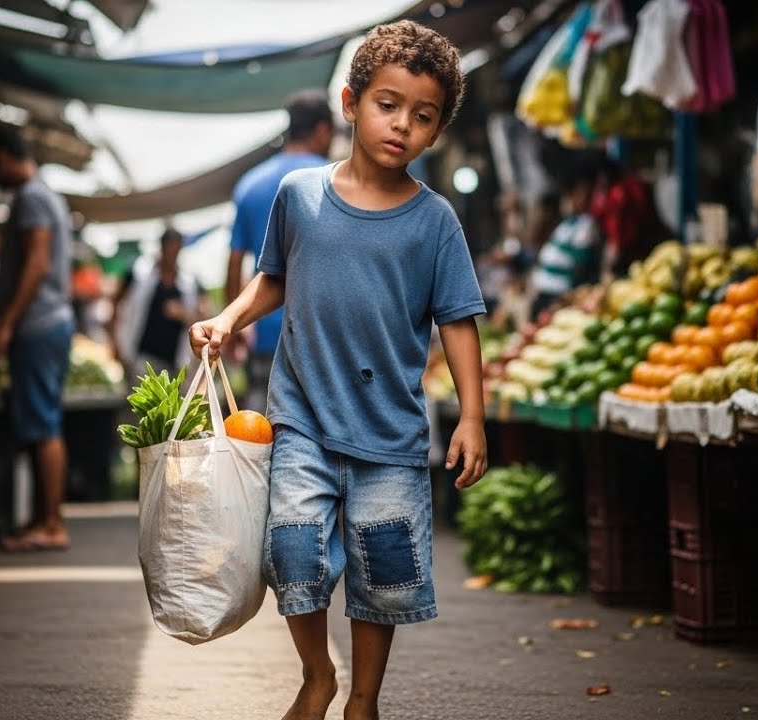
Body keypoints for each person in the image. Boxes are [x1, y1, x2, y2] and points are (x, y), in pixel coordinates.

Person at [189, 20, 487, 720]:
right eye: (388, 105)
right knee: (293, 554)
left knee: (383, 571)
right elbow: (274, 279)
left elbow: (459, 322)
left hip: (390, 433)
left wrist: (472, 415)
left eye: (423, 116)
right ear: (351, 104)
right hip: (302, 420)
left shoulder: (436, 221)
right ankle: (317, 674)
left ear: (436, 131)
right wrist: (230, 319)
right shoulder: (300, 195)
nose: (402, 126)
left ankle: (363, 699)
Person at [0, 123, 75, 552]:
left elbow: (36, 263)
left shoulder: (33, 197)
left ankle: (52, 523)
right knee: (43, 423)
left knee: (44, 426)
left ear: (0, 157)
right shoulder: (42, 194)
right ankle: (43, 519)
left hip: (38, 325)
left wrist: (6, 323)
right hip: (45, 324)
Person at [226, 89, 334, 412]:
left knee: (260, 428)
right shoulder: (335, 181)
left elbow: (234, 263)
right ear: (322, 130)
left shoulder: (250, 184)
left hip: (265, 332)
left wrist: (234, 326)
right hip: (321, 335)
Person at [109, 228, 205, 377]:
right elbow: (116, 303)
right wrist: (115, 342)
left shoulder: (188, 284)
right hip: (140, 356)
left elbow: (203, 317)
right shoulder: (138, 273)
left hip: (174, 362)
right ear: (162, 247)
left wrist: (183, 314)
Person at [529, 165, 601, 317]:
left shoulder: (586, 225)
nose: (574, 199)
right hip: (544, 293)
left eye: (581, 194)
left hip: (559, 297)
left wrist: (569, 296)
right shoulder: (566, 224)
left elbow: (579, 265)